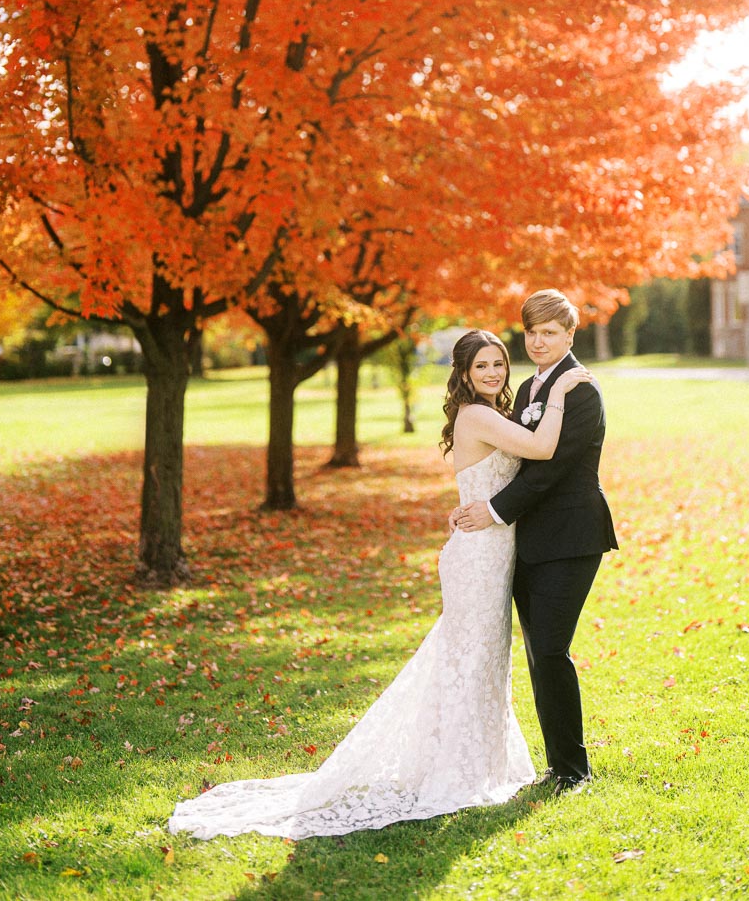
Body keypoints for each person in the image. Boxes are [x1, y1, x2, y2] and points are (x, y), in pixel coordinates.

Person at [167, 328, 590, 842]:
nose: (494, 373)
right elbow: (544, 447)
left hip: (493, 549)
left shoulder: (489, 414)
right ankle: (456, 770)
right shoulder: (477, 415)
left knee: (480, 659)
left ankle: (474, 760)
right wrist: (563, 390)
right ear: (462, 373)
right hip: (479, 555)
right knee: (470, 657)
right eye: (482, 366)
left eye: (499, 364)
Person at [454, 289, 618, 795]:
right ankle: (557, 764)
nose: (540, 341)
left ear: (570, 335)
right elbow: (515, 456)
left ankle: (573, 770)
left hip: (571, 536)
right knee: (535, 652)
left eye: (550, 332)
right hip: (523, 542)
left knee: (550, 648)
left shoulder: (582, 391)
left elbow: (549, 471)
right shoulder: (526, 389)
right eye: (532, 332)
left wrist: (494, 509)